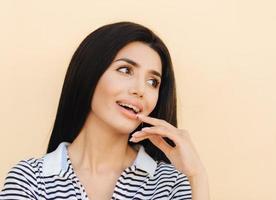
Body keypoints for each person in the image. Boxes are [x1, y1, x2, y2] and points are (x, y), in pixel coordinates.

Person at [0, 21, 210, 199]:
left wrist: (197, 175)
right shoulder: (30, 179)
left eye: (152, 82)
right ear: (90, 73)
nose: (140, 90)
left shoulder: (171, 184)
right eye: (126, 70)